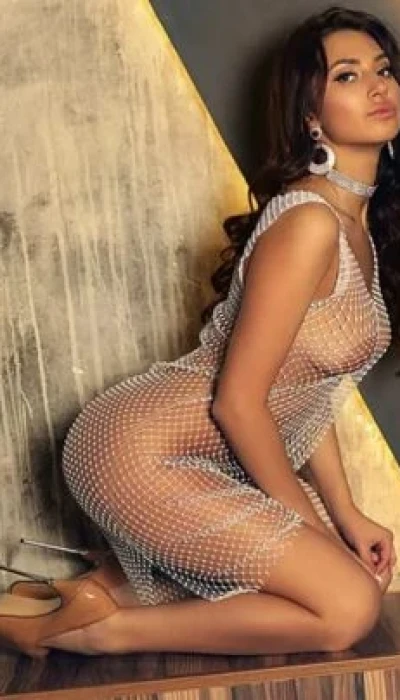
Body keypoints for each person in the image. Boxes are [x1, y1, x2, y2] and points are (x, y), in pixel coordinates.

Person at [0, 4, 399, 658]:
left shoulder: (355, 227)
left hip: (198, 457)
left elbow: (305, 388)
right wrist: (318, 535)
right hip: (138, 450)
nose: (379, 87)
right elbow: (238, 402)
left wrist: (345, 512)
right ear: (310, 114)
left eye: (384, 70)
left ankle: (68, 599)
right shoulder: (309, 224)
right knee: (347, 603)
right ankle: (99, 634)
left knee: (336, 581)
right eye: (348, 76)